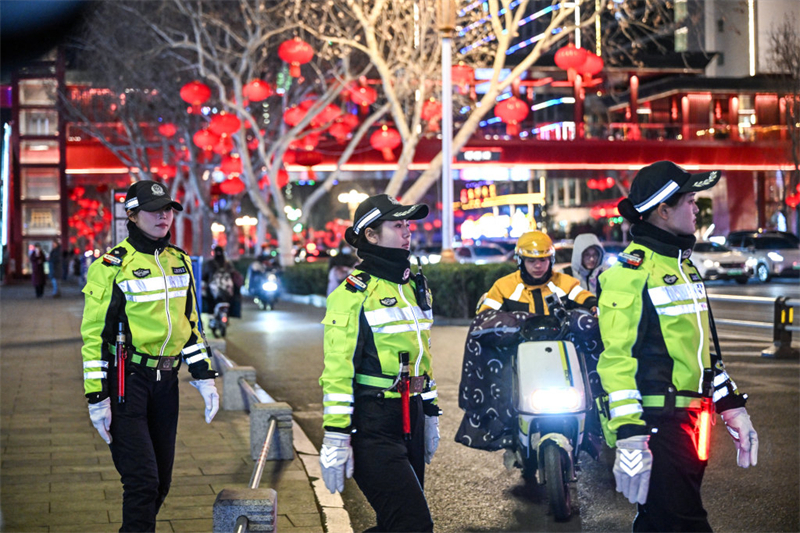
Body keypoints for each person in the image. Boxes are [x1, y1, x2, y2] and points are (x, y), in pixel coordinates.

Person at [597, 161, 758, 531]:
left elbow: (698, 354)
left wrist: (731, 405)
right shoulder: (630, 274)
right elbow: (616, 360)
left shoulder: (683, 268)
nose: (696, 208)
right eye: (689, 201)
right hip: (657, 427)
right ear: (663, 210)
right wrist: (630, 435)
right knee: (685, 524)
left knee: (658, 523)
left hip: (690, 423)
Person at [80, 180, 219, 532]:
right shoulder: (112, 266)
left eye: (168, 209)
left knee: (161, 483)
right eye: (154, 210)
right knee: (142, 482)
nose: (163, 217)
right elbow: (94, 336)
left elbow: (191, 325)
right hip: (128, 382)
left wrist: (204, 377)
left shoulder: (180, 261)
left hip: (167, 383)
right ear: (132, 215)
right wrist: (97, 397)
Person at [319, 194, 439, 532]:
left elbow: (423, 356)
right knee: (413, 524)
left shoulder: (414, 287)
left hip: (412, 413)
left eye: (407, 224)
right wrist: (336, 435)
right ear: (371, 235)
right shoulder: (352, 293)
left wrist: (431, 412)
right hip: (374, 422)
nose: (407, 232)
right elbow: (338, 370)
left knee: (395, 524)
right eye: (397, 225)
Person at [477, 230, 597, 315]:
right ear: (521, 261)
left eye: (543, 260)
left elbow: (586, 298)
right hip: (516, 344)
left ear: (551, 260)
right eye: (531, 261)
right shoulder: (503, 287)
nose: (538, 265)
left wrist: (594, 306)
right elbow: (484, 317)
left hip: (560, 344)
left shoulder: (566, 283)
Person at [202, 245, 242, 318]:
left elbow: (204, 276)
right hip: (228, 296)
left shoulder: (210, 264)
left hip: (214, 296)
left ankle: (210, 314)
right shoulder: (228, 264)